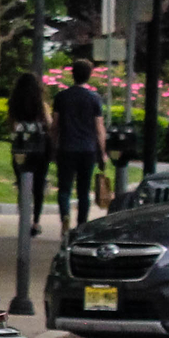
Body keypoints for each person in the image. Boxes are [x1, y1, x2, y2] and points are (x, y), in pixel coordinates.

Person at [52, 59, 108, 231]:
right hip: (88, 149)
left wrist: (54, 146)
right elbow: (99, 128)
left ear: (72, 74)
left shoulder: (61, 97)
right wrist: (103, 152)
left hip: (67, 148)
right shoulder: (94, 98)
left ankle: (65, 217)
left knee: (64, 188)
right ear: (89, 76)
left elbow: (55, 125)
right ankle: (82, 224)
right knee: (84, 191)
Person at [4, 73, 53, 236]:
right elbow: (49, 123)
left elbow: (11, 125)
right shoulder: (41, 105)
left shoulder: (14, 104)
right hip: (40, 148)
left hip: (20, 148)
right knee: (38, 186)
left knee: (22, 184)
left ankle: (23, 218)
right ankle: (36, 221)